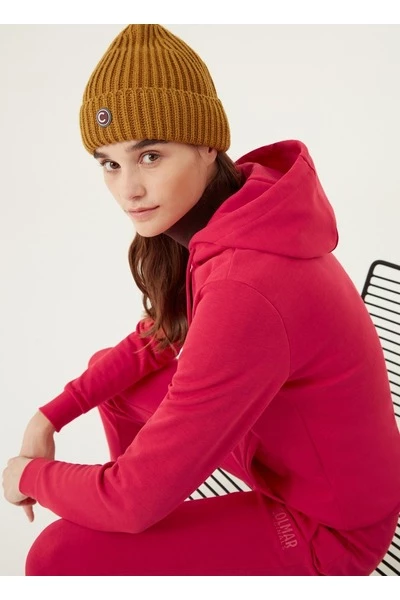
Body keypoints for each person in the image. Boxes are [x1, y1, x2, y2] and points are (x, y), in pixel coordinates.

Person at [2, 24, 400, 577]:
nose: (127, 190)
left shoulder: (248, 285)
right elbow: (159, 335)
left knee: (56, 556)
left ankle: (150, 520)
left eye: (150, 156)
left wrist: (25, 474)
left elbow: (129, 500)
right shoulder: (240, 216)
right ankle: (159, 529)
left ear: (206, 144)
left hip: (330, 532)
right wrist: (53, 413)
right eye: (109, 163)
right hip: (286, 455)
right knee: (111, 380)